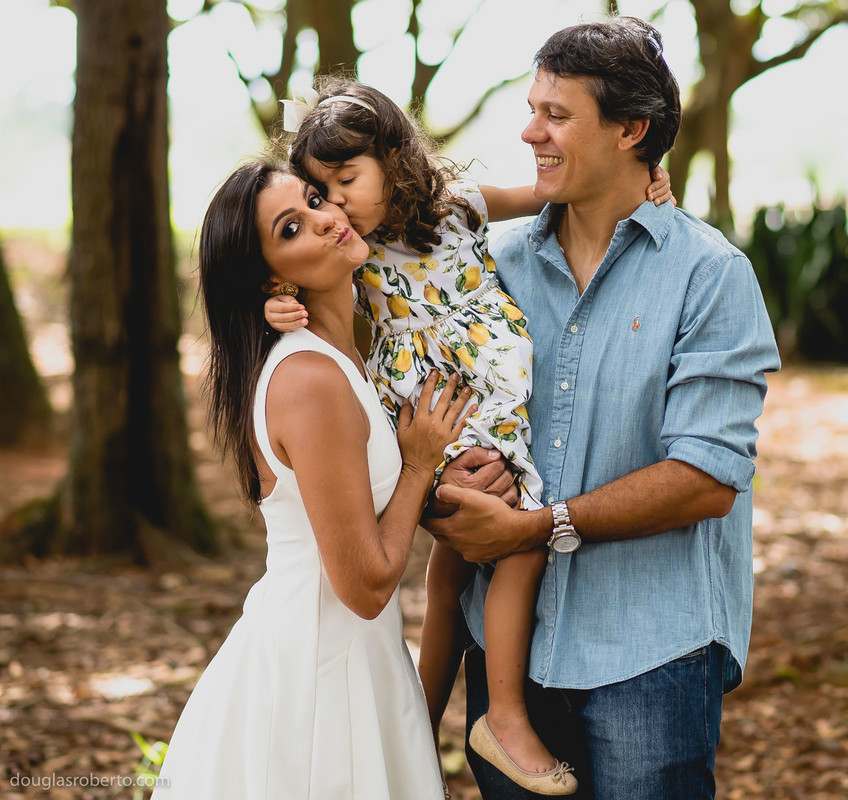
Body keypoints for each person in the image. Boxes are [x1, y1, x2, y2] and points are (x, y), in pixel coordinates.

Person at [263, 78, 673, 796]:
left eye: (347, 181)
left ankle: (416, 722)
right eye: (320, 193)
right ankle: (504, 714)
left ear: (395, 159)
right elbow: (299, 289)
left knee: (457, 566)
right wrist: (279, 302)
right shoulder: (356, 257)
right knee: (515, 540)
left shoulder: (459, 209)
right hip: (444, 408)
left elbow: (553, 195)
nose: (337, 206)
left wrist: (644, 185)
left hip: (492, 395)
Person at [424, 16, 781, 800]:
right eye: (531, 109)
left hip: (651, 655)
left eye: (556, 115)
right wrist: (452, 483)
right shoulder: (493, 266)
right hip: (507, 653)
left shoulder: (709, 275)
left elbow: (704, 479)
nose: (529, 132)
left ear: (632, 130)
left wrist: (532, 528)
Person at [154, 160, 475, 799]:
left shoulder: (349, 349)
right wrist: (417, 464)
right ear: (273, 274)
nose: (328, 220)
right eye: (293, 227)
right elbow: (363, 585)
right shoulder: (309, 379)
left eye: (315, 199)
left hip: (353, 656)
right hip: (322, 674)